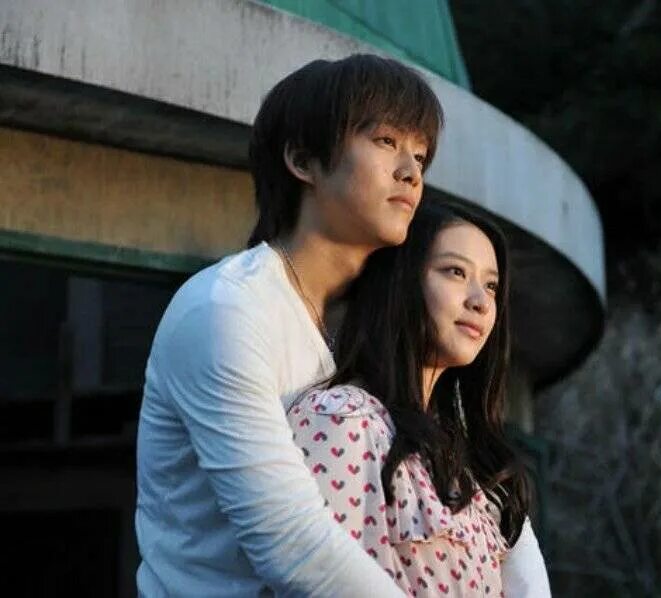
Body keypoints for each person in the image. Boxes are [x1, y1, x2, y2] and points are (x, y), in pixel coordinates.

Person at [135, 54, 443, 597]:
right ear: (303, 161)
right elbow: (291, 543)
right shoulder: (228, 310)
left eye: (419, 155)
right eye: (385, 141)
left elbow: (474, 485)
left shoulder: (384, 321)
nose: (411, 173)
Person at [287, 202, 552, 596]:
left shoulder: (467, 465)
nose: (480, 301)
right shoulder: (341, 419)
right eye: (455, 272)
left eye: (491, 285)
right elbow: (315, 582)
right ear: (402, 282)